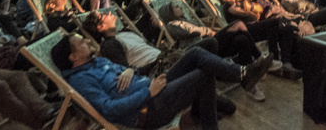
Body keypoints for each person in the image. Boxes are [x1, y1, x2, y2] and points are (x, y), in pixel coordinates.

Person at [51, 32, 271, 130]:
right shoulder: (81, 80)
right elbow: (109, 110)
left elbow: (127, 70)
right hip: (148, 110)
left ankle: (242, 74)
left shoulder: (96, 62)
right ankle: (241, 77)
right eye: (81, 42)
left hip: (151, 85)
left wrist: (130, 71)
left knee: (195, 54)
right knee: (203, 75)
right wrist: (149, 92)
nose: (87, 40)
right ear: (73, 57)